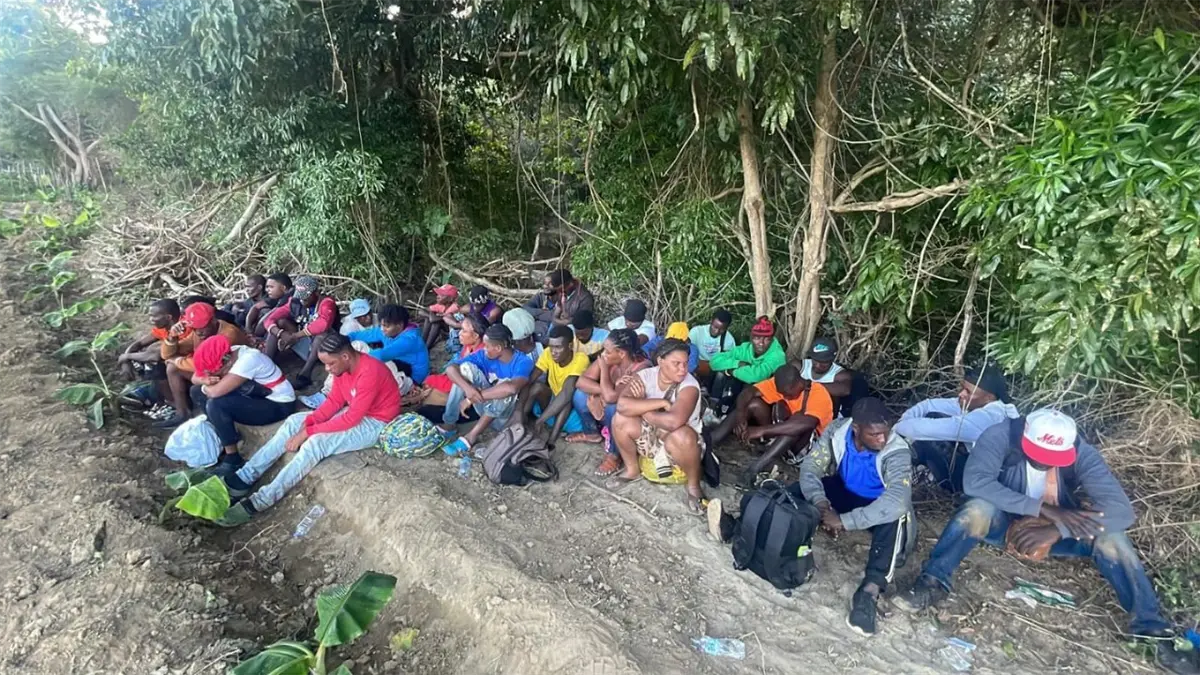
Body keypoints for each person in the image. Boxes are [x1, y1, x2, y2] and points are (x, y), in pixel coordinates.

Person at [892, 410, 1199, 674]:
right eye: (1039, 456)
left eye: (1053, 459)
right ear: (1024, 438)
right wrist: (1042, 508)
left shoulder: (1081, 452)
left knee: (1111, 536)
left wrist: (1058, 529)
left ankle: (1150, 628)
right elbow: (976, 482)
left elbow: (1121, 511)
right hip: (1004, 522)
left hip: (1056, 530)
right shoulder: (999, 436)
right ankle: (933, 582)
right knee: (978, 509)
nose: (1045, 463)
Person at [215, 333, 400, 526]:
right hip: (356, 412)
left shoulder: (370, 371)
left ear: (345, 356)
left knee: (316, 443)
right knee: (295, 421)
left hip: (376, 422)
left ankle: (262, 500)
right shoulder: (342, 370)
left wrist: (309, 431)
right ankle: (245, 477)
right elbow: (335, 401)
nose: (327, 369)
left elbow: (351, 418)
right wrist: (311, 420)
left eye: (330, 364)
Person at [797, 397, 913, 636]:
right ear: (856, 429)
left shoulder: (897, 450)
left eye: (885, 432)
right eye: (875, 434)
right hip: (846, 492)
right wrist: (821, 503)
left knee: (895, 516)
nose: (882, 439)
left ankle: (869, 591)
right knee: (797, 490)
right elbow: (811, 467)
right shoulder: (837, 431)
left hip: (877, 505)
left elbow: (896, 501)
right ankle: (758, 528)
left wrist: (844, 521)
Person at [608, 338, 707, 512]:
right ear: (660, 361)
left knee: (682, 435)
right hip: (652, 435)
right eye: (676, 363)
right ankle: (632, 470)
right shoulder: (646, 375)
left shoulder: (689, 385)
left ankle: (693, 486)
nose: (683, 369)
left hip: (680, 445)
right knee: (619, 419)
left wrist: (642, 408)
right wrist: (660, 402)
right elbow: (622, 405)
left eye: (685, 364)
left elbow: (673, 422)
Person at [895, 364, 1019, 493]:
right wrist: (904, 420)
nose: (961, 394)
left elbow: (922, 430)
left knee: (927, 437)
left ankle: (914, 476)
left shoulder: (989, 417)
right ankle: (923, 472)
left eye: (968, 392)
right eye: (962, 388)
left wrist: (896, 428)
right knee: (932, 416)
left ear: (989, 398)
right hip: (978, 470)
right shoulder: (978, 403)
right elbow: (928, 405)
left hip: (983, 485)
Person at [712, 363, 835, 484]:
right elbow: (749, 392)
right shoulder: (781, 385)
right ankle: (713, 438)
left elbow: (806, 424)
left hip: (804, 447)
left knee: (795, 425)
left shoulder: (819, 393)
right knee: (753, 404)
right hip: (779, 435)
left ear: (799, 383)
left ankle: (755, 468)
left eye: (788, 393)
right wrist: (740, 415)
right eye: (782, 393)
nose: (785, 396)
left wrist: (761, 430)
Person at [188, 334, 296, 464]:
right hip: (257, 395)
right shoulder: (232, 352)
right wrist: (204, 380)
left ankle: (233, 458)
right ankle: (223, 434)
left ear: (226, 361)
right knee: (195, 391)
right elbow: (195, 378)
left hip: (279, 404)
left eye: (214, 372)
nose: (213, 375)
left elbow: (215, 392)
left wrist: (205, 386)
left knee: (215, 404)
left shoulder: (248, 360)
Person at [433, 324, 534, 457]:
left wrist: (470, 398)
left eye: (487, 346)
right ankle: (449, 423)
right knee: (464, 369)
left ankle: (470, 437)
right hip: (483, 406)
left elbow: (512, 388)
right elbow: (451, 369)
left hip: (505, 417)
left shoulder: (523, 361)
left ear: (498, 348)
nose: (484, 349)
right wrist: (467, 389)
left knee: (505, 386)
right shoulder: (483, 355)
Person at [566, 328, 650, 475]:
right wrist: (604, 391)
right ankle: (592, 433)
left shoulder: (641, 367)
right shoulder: (610, 358)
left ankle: (615, 453)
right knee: (580, 395)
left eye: (607, 351)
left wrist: (604, 371)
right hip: (608, 406)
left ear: (621, 353)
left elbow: (613, 398)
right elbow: (581, 382)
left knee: (613, 407)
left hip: (633, 421)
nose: (603, 354)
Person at [158, 302, 249, 428]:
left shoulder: (227, 335)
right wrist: (172, 337)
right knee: (172, 368)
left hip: (235, 377)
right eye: (194, 327)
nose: (198, 332)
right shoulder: (200, 332)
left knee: (178, 370)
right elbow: (166, 354)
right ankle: (182, 413)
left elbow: (206, 367)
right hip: (217, 372)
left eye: (201, 327)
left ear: (213, 320)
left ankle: (219, 423)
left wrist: (177, 360)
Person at [513, 324, 591, 447]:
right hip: (549, 408)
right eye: (551, 347)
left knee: (569, 397)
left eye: (558, 347)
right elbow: (531, 379)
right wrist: (519, 409)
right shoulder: (548, 353)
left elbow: (566, 393)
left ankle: (552, 440)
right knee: (536, 387)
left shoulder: (581, 359)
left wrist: (540, 420)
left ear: (570, 346)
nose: (553, 352)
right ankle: (518, 423)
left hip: (570, 415)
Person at [263, 275, 339, 389]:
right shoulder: (294, 302)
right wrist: (281, 334)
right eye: (300, 297)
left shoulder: (327, 303)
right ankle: (266, 365)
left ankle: (305, 375)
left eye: (306, 297)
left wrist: (295, 336)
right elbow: (269, 319)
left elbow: (323, 324)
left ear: (316, 293)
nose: (302, 301)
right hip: (305, 343)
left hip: (326, 349)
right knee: (280, 323)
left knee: (322, 335)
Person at [707, 316, 787, 415]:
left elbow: (757, 376)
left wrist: (731, 371)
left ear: (772, 339)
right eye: (757, 338)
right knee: (720, 374)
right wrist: (737, 363)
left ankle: (729, 416)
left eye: (766, 339)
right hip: (742, 390)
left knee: (746, 385)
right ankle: (712, 409)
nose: (761, 343)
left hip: (766, 397)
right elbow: (714, 361)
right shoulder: (745, 348)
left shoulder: (778, 355)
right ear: (751, 337)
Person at [117, 299, 179, 417]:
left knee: (154, 363)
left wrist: (125, 357)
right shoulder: (164, 327)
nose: (151, 320)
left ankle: (172, 404)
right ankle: (157, 396)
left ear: (168, 317)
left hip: (187, 367)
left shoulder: (180, 330)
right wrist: (126, 361)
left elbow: (156, 356)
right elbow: (139, 343)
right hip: (174, 365)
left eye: (154, 316)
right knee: (144, 357)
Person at [346, 304, 430, 384]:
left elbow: (381, 355)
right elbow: (362, 335)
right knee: (358, 345)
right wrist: (344, 339)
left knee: (372, 366)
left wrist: (352, 361)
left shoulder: (410, 340)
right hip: (397, 365)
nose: (382, 329)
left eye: (386, 326)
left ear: (399, 325)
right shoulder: (387, 331)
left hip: (413, 378)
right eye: (381, 325)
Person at [419, 313, 489, 407]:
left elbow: (467, 378)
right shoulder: (468, 346)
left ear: (476, 336)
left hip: (467, 385)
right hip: (459, 379)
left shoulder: (482, 353)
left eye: (464, 331)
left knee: (429, 395)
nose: (459, 333)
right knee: (429, 382)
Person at [800, 337, 867, 417]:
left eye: (823, 362)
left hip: (824, 417)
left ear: (832, 359)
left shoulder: (840, 375)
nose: (818, 365)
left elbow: (845, 390)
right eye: (815, 360)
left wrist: (807, 385)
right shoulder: (799, 366)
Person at [443, 285, 502, 353]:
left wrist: (457, 325)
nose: (475, 308)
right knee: (457, 316)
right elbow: (450, 314)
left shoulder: (494, 311)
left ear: (485, 302)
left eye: (478, 305)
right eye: (473, 304)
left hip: (489, 336)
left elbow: (482, 327)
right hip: (472, 333)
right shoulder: (469, 307)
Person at [690, 309, 737, 381]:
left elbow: (728, 360)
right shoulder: (696, 332)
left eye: (722, 329)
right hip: (697, 364)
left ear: (727, 328)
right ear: (711, 322)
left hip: (715, 368)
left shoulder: (729, 339)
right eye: (715, 327)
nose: (717, 331)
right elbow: (688, 352)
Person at [421, 283, 459, 348]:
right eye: (438, 294)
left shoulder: (454, 307)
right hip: (443, 331)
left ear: (450, 299)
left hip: (450, 333)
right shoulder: (441, 305)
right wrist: (431, 314)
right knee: (428, 319)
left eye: (442, 295)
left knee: (436, 324)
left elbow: (433, 319)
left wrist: (432, 314)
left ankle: (426, 347)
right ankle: (421, 343)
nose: (438, 296)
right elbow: (421, 311)